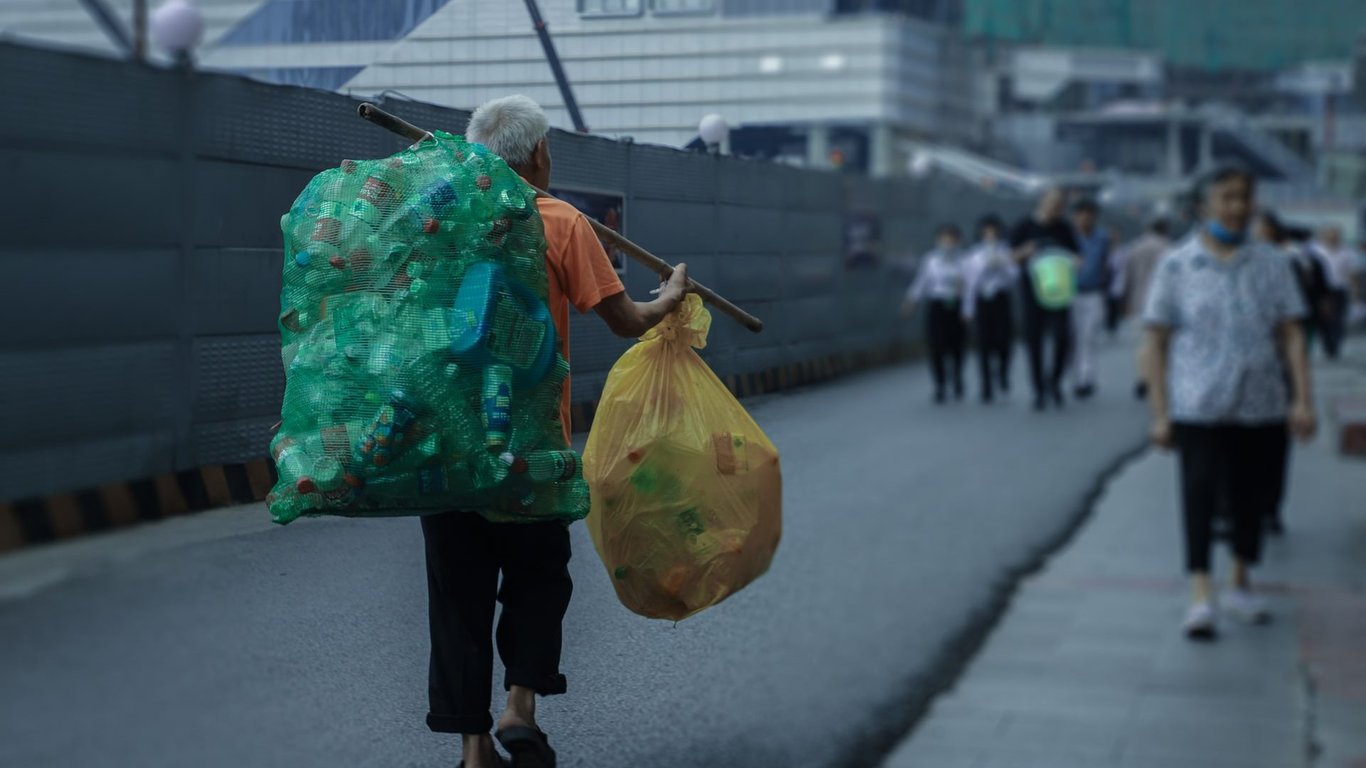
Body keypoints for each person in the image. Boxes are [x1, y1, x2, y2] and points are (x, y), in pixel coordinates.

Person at [422, 95, 690, 768]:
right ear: (538, 155)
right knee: (540, 576)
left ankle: (474, 749)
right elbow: (627, 321)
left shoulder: (438, 221)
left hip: (447, 443)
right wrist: (673, 297)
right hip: (531, 446)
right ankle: (520, 707)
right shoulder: (561, 221)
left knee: (459, 595)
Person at [1142, 167, 1316, 641]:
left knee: (1251, 496)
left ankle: (1240, 578)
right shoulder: (1178, 265)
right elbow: (1155, 340)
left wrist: (1303, 399)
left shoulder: (1273, 263)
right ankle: (1201, 590)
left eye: (1245, 197)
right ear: (1203, 206)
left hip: (1261, 402)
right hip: (1199, 403)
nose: (1238, 207)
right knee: (1198, 492)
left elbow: (1293, 335)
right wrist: (1160, 413)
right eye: (1227, 198)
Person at [1009, 187, 1081, 411]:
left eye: (1059, 204)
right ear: (1041, 202)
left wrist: (1073, 262)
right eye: (1051, 203)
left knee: (1062, 338)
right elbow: (1010, 256)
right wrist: (1027, 251)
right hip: (1032, 292)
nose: (1055, 208)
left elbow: (1078, 256)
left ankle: (1055, 381)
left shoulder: (1064, 228)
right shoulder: (1024, 226)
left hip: (1060, 292)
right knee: (1034, 341)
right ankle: (1038, 389)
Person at [902, 224, 968, 403]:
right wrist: (911, 301)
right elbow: (921, 282)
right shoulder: (930, 260)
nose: (948, 243)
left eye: (951, 239)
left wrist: (968, 309)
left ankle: (957, 378)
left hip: (956, 306)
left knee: (956, 347)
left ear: (958, 241)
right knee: (936, 346)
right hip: (937, 306)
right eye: (944, 239)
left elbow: (970, 287)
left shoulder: (964, 261)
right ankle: (940, 384)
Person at [962, 214, 1018, 403]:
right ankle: (986, 385)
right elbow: (970, 284)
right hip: (982, 300)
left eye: (994, 232)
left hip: (1001, 299)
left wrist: (1001, 264)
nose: (991, 236)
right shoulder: (973, 255)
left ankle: (1002, 374)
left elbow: (1014, 278)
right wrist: (968, 309)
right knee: (983, 344)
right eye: (987, 232)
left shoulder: (1007, 251)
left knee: (1004, 342)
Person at [1122, 218, 1172, 399]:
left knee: (1142, 343)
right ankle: (1156, 377)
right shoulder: (1169, 248)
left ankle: (1143, 376)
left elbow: (1126, 277)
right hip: (1161, 303)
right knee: (1159, 344)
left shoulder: (1135, 247)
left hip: (1138, 300)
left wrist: (1125, 301)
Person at [1069, 199, 1111, 399]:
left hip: (1094, 292)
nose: (1085, 218)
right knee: (1076, 338)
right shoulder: (1068, 237)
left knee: (1089, 337)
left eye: (1089, 213)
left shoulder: (1102, 238)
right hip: (1072, 293)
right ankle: (1078, 378)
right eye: (1081, 213)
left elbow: (1105, 264)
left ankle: (1087, 377)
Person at [1312, 226, 1356, 360]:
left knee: (1338, 319)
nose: (1333, 238)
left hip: (1339, 289)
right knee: (1324, 320)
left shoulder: (1346, 252)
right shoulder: (1317, 252)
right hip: (1322, 291)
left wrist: (1354, 292)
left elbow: (1352, 273)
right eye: (1330, 235)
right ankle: (1327, 344)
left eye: (1335, 235)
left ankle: (1335, 344)